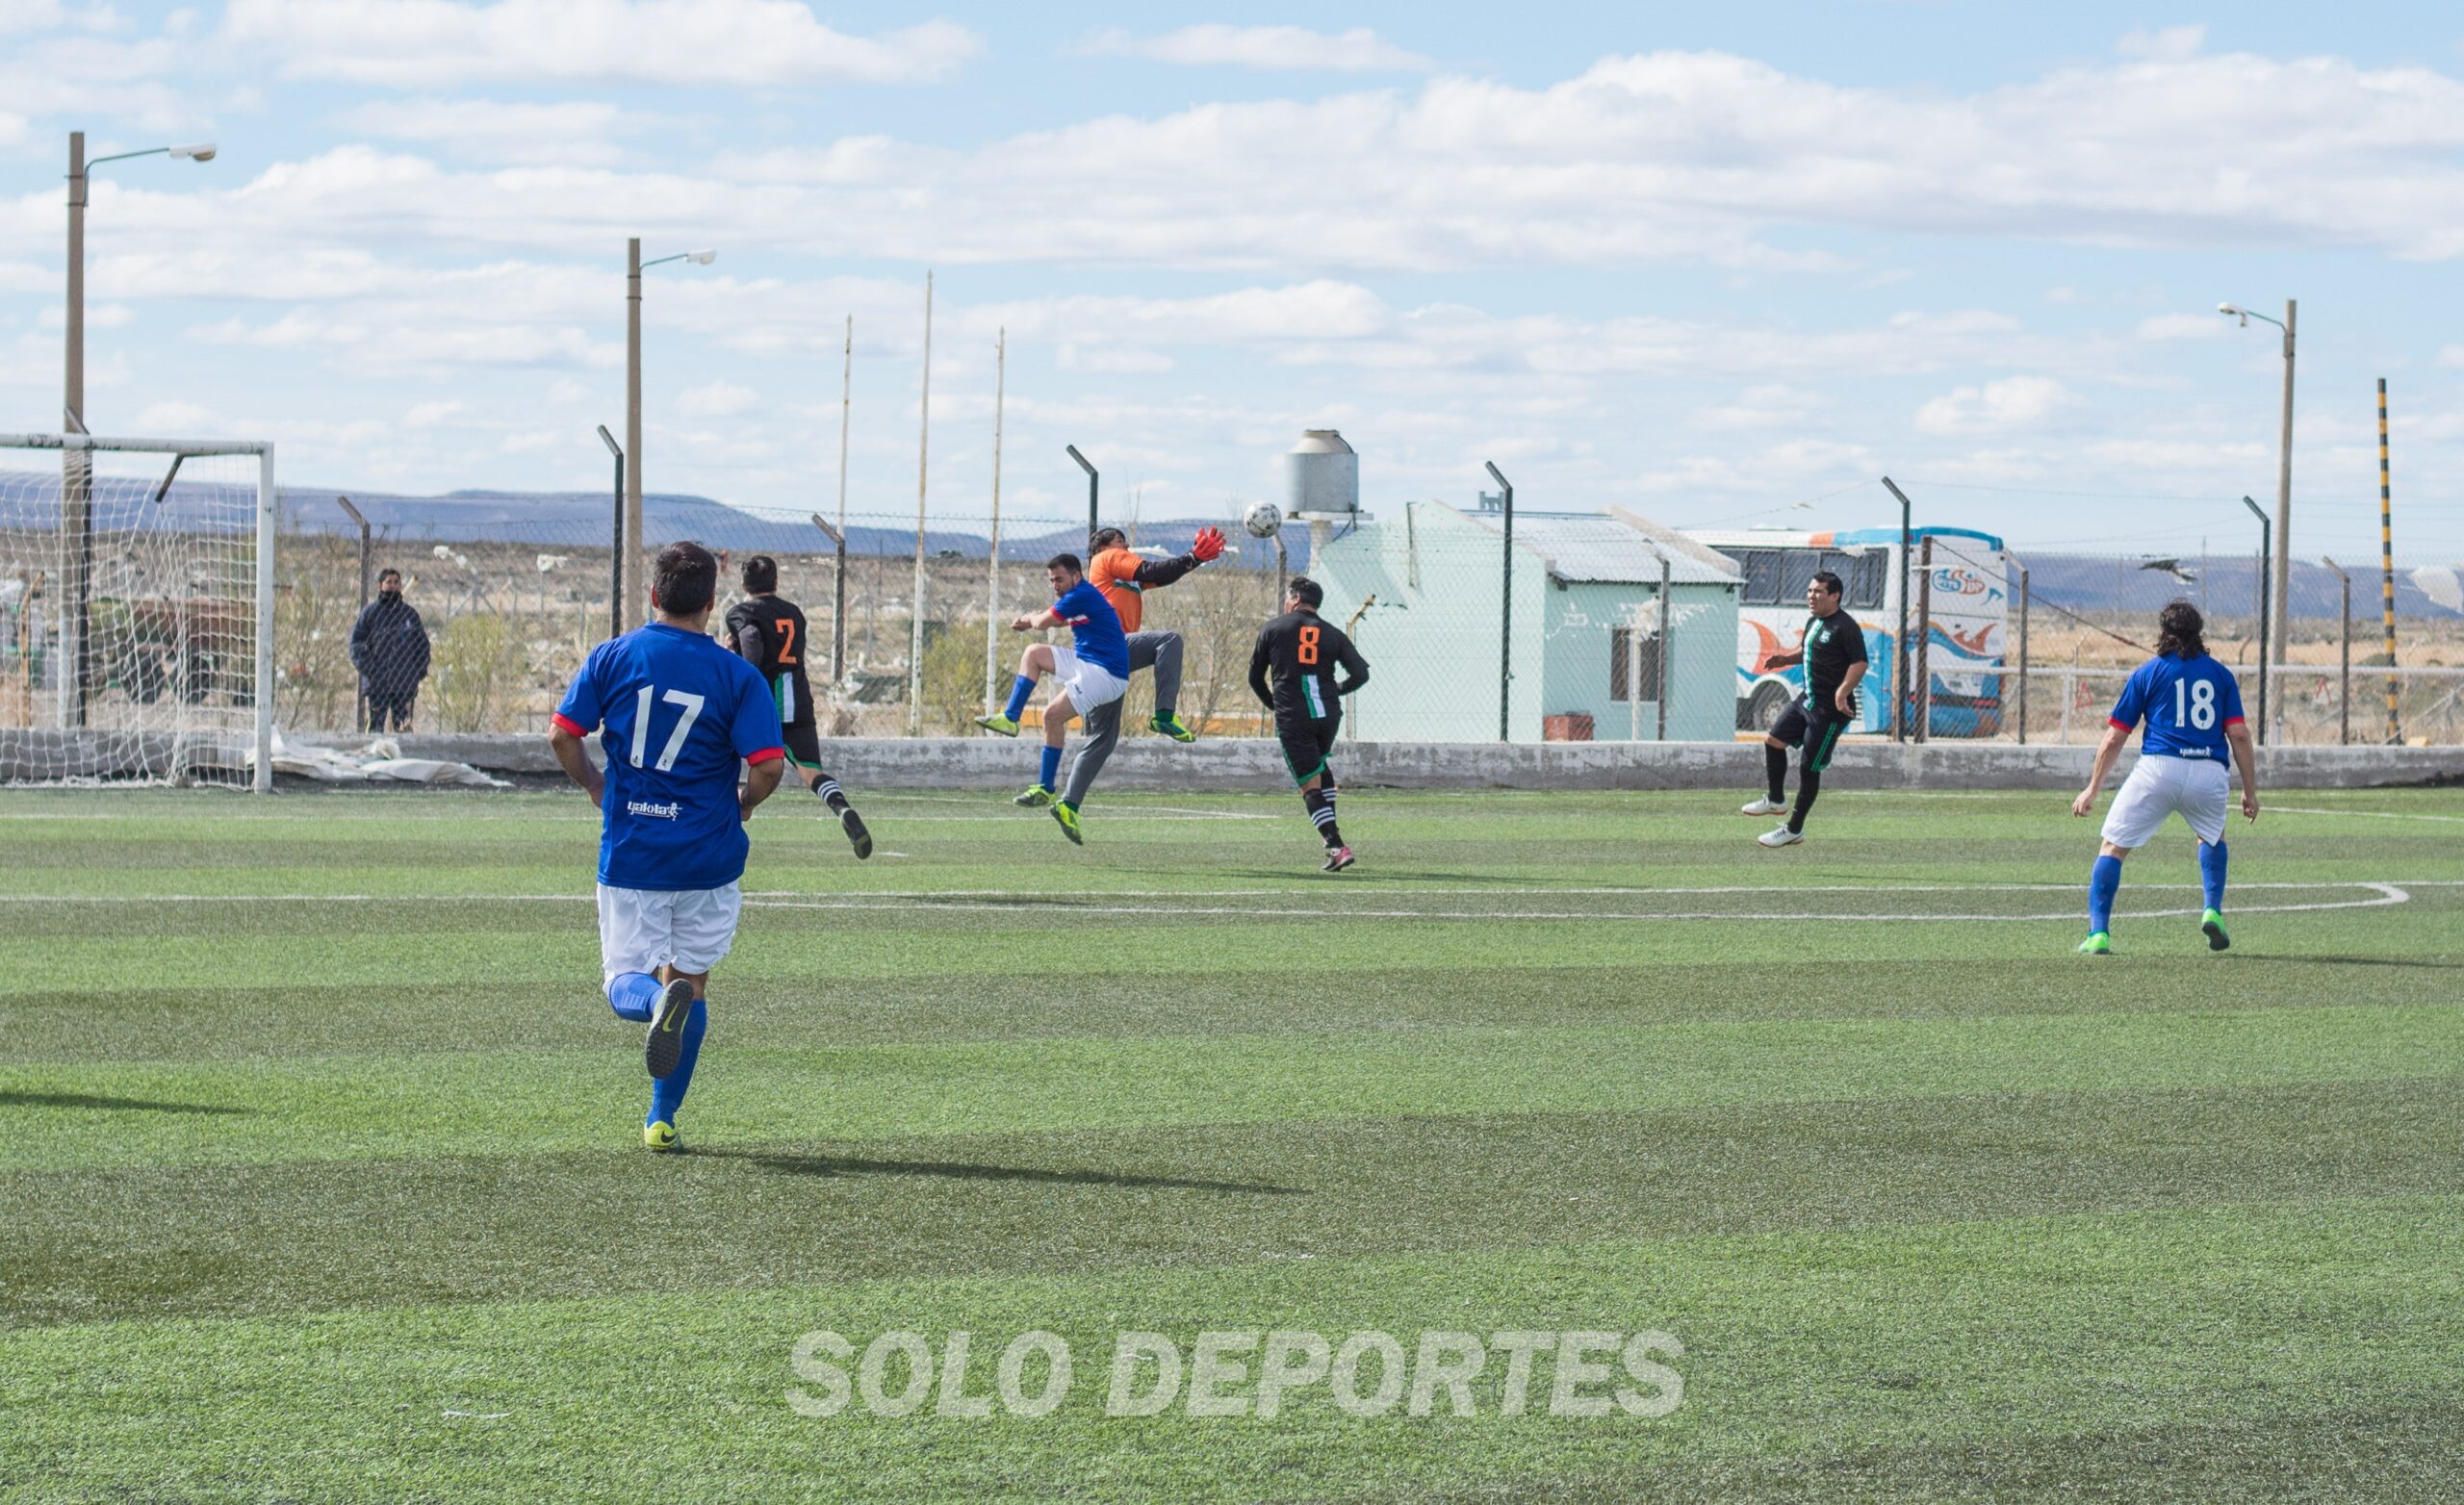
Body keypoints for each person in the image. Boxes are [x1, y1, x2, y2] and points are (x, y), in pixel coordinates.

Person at [548, 541, 787, 1153]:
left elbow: (563, 735)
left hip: (636, 850)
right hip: (709, 857)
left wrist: (596, 785)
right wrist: (744, 804)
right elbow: (768, 765)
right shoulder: (737, 676)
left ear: (654, 594)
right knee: (693, 982)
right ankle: (661, 1119)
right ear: (711, 602)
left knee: (624, 982)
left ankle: (654, 1002)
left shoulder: (613, 656)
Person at [2068, 600, 2258, 956]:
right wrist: (2250, 791)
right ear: (2199, 633)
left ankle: (2098, 934)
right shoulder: (2221, 675)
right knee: (2212, 837)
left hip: (2159, 769)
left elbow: (2115, 737)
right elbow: (2239, 734)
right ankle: (2212, 909)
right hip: (2208, 771)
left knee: (2112, 847)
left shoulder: (2148, 673)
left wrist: (2092, 788)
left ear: (2163, 633)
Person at [1022, 523, 1226, 815]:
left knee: (1103, 741)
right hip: (1113, 647)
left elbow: (1161, 575)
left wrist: (1194, 560)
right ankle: (1164, 716)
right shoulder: (1105, 558)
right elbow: (1150, 569)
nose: (1127, 547)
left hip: (1106, 665)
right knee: (1169, 640)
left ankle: (1068, 805)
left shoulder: (1119, 576)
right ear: (1103, 547)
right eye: (1121, 541)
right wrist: (1192, 556)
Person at [974, 553, 1129, 844]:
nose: (1055, 585)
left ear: (1076, 576)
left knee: (1051, 716)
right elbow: (1058, 621)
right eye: (1051, 581)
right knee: (1033, 653)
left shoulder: (1080, 594)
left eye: (1059, 579)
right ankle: (1010, 718)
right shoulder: (1078, 597)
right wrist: (1035, 619)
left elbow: (1045, 622)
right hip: (1087, 663)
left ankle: (1047, 789)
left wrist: (1030, 619)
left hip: (1107, 674)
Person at [724, 554, 871, 859]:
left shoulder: (741, 612)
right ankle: (841, 808)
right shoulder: (795, 613)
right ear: (776, 582)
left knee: (728, 753)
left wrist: (739, 663)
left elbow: (752, 640)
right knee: (811, 773)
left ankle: (737, 810)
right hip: (799, 703)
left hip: (764, 703)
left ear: (743, 584)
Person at [1248, 576, 1371, 872]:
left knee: (1308, 785)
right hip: (1328, 715)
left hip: (1295, 716)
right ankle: (1333, 842)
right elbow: (1361, 674)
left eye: (1287, 597)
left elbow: (1255, 678)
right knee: (1320, 768)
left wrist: (1274, 705)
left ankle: (1336, 846)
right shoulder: (1332, 633)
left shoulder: (1273, 628)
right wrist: (1336, 689)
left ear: (1295, 599)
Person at [1744, 569, 1867, 848]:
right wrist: (1784, 660)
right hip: (1807, 700)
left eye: (1818, 592)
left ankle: (1794, 829)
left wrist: (1842, 692)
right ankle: (1776, 800)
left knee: (1809, 768)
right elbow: (1810, 650)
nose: (1811, 596)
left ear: (1835, 596)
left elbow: (1859, 662)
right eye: (1810, 591)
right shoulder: (1814, 621)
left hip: (1830, 711)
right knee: (1773, 741)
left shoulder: (1845, 626)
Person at [348, 569, 430, 732]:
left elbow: (422, 646)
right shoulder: (370, 614)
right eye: (389, 582)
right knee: (375, 728)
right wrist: (371, 670)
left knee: (403, 728)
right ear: (381, 585)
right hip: (377, 683)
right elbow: (356, 644)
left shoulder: (409, 615)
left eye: (396, 582)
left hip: (404, 683)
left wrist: (417, 672)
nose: (393, 585)